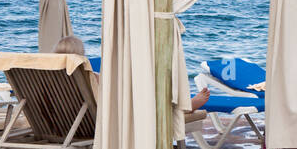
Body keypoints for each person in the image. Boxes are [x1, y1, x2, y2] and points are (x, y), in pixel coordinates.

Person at [52, 35, 210, 109]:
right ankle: (185, 106)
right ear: (81, 56)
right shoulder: (89, 77)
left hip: (60, 125)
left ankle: (182, 105)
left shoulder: (49, 80)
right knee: (148, 100)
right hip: (93, 123)